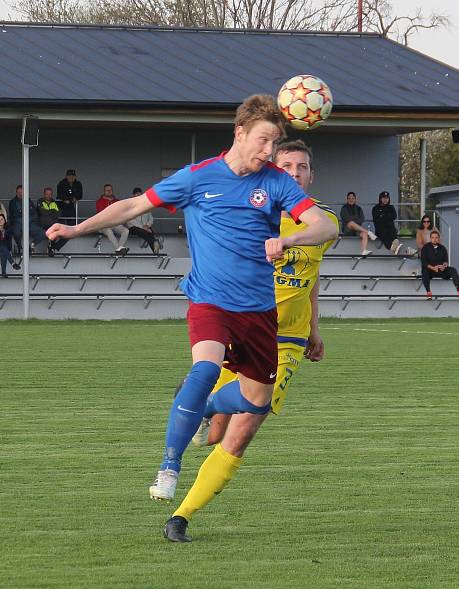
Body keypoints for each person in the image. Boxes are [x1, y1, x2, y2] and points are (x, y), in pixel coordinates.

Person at [46, 94, 337, 518]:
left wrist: (288, 239)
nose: (268, 152)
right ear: (239, 133)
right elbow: (132, 206)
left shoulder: (275, 182)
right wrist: (76, 230)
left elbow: (324, 226)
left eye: (274, 144)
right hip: (209, 300)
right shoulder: (197, 178)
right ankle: (169, 465)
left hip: (258, 312)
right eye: (262, 141)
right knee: (204, 368)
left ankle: (200, 408)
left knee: (256, 402)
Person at [166, 139, 339, 542]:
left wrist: (314, 327)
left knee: (242, 432)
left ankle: (181, 516)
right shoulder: (250, 212)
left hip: (287, 340)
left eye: (302, 167)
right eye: (287, 166)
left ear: (310, 176)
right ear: (272, 171)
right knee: (214, 433)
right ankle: (204, 406)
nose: (294, 173)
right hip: (242, 324)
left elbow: (312, 278)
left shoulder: (321, 222)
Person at [420, 229, 459, 300]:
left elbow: (445, 261)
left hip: (441, 270)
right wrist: (432, 268)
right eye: (433, 237)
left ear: (438, 238)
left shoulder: (443, 248)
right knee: (425, 271)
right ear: (430, 238)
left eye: (436, 237)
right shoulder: (425, 248)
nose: (434, 239)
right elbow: (424, 261)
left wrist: (444, 266)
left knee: (453, 270)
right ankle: (429, 292)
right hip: (430, 271)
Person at [8, 184, 46, 258]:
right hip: (18, 223)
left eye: (22, 192)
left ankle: (32, 245)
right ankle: (20, 247)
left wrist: (26, 215)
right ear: (16, 193)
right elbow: (14, 214)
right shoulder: (12, 202)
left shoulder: (28, 200)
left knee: (43, 233)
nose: (21, 194)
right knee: (16, 233)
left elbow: (34, 212)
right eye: (19, 192)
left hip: (29, 222)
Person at [95, 184, 130, 255]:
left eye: (110, 190)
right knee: (108, 231)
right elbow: (102, 213)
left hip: (115, 223)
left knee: (126, 230)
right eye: (107, 190)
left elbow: (121, 212)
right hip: (104, 225)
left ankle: (119, 248)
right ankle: (118, 248)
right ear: (104, 191)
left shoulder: (117, 201)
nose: (109, 191)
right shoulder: (99, 201)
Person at [339, 191, 376, 256]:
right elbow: (346, 219)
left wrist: (354, 221)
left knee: (364, 234)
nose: (351, 200)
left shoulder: (359, 208)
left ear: (355, 199)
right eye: (349, 198)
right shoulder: (344, 208)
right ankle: (369, 232)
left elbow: (361, 219)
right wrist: (354, 221)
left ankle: (364, 250)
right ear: (347, 199)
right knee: (351, 223)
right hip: (347, 230)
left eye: (352, 198)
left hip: (357, 230)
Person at [126, 187, 162, 254]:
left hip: (145, 227)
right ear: (133, 195)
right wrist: (143, 227)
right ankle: (156, 242)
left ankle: (155, 251)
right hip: (133, 227)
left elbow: (150, 218)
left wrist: (147, 225)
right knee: (145, 232)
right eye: (136, 195)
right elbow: (130, 220)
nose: (138, 196)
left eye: (140, 195)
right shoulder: (130, 206)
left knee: (150, 232)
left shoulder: (145, 205)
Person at [36, 187, 68, 256]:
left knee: (67, 234)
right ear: (44, 194)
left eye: (50, 194)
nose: (48, 196)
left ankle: (54, 247)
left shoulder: (54, 203)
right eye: (47, 194)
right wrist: (52, 212)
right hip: (43, 224)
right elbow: (42, 212)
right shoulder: (40, 201)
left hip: (53, 224)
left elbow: (59, 214)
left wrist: (49, 213)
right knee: (54, 231)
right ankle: (51, 249)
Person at [372, 190, 405, 255]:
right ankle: (392, 247)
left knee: (392, 230)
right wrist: (387, 217)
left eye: (387, 198)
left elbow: (394, 216)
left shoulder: (391, 207)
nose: (385, 200)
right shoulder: (375, 208)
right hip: (380, 229)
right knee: (383, 230)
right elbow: (377, 220)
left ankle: (394, 246)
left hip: (390, 227)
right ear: (380, 198)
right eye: (384, 198)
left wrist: (383, 216)